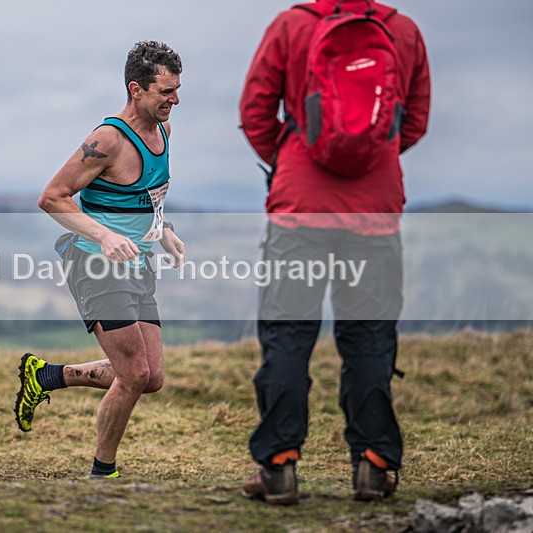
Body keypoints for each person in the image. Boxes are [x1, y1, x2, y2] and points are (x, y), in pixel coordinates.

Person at [238, 0, 430, 504]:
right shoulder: (403, 32)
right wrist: (371, 155)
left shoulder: (291, 26)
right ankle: (372, 465)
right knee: (369, 340)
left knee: (287, 336)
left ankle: (278, 467)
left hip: (299, 207)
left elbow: (255, 112)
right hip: (376, 209)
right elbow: (415, 122)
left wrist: (290, 158)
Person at [14, 41, 185, 479]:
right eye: (166, 91)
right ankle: (101, 474)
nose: (175, 100)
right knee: (133, 374)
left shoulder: (163, 131)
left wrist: (163, 231)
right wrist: (104, 235)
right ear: (136, 90)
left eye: (177, 89)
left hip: (137, 263)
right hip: (95, 264)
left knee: (152, 377)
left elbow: (147, 194)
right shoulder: (107, 139)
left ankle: (46, 377)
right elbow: (52, 197)